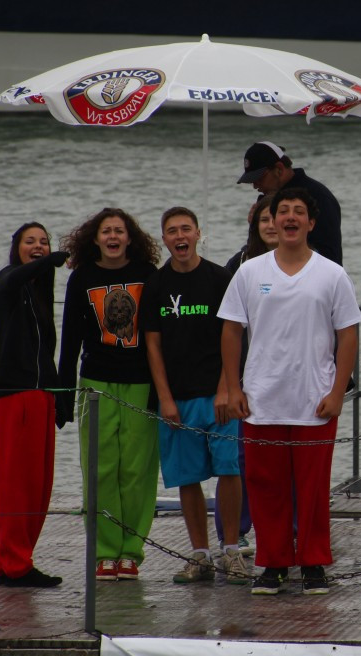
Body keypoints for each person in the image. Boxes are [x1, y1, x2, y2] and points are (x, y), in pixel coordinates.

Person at [218, 187, 361, 596]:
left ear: (311, 224)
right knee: (265, 488)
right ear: (272, 221)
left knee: (313, 491)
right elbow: (230, 328)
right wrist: (232, 387)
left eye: (299, 212)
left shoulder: (331, 274)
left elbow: (348, 335)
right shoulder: (250, 272)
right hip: (261, 399)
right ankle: (274, 564)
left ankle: (314, 563)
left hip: (314, 401)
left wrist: (337, 392)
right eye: (284, 211)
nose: (291, 218)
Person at [142, 207, 251, 585]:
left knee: (228, 469)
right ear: (164, 239)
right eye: (171, 231)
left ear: (198, 233)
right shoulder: (155, 285)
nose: (179, 236)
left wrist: (227, 387)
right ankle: (200, 554)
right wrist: (164, 398)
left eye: (186, 228)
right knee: (187, 476)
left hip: (218, 395)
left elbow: (234, 335)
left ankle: (232, 550)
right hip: (178, 398)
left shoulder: (219, 278)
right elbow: (152, 346)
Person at [57, 207, 160, 581]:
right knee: (100, 469)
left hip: (141, 382)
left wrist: (163, 391)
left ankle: (131, 552)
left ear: (130, 237)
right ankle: (104, 553)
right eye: (106, 231)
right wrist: (64, 394)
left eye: (119, 230)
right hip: (96, 382)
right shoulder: (82, 277)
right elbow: (69, 339)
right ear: (95, 238)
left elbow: (159, 336)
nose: (113, 237)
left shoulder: (148, 275)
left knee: (137, 471)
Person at [0, 222, 68, 588]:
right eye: (29, 241)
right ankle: (13, 563)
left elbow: (45, 354)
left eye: (43, 241)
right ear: (16, 247)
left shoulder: (38, 292)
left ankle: (14, 560)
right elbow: (7, 285)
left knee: (38, 486)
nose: (37, 246)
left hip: (39, 396)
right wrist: (47, 261)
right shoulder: (8, 283)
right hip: (14, 397)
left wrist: (59, 396)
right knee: (14, 484)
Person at [219, 192, 280, 555]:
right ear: (254, 225)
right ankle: (236, 530)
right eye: (264, 219)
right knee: (239, 458)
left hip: (287, 377)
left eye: (276, 217)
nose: (272, 225)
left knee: (284, 459)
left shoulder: (306, 263)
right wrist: (228, 383)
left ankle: (289, 528)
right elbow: (226, 328)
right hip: (245, 377)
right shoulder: (238, 265)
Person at [236, 142, 342, 264]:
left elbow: (330, 256)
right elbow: (255, 249)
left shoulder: (319, 197)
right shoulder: (267, 199)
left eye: (259, 178)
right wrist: (254, 227)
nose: (255, 185)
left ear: (279, 169)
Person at [225, 194, 279, 275]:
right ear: (256, 225)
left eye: (276, 220)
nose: (271, 226)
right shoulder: (240, 261)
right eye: (264, 220)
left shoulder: (301, 261)